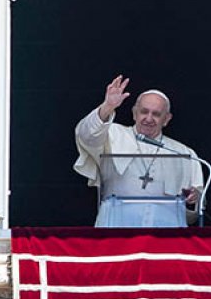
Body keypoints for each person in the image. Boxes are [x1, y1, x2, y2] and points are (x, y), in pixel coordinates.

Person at [74, 75, 204, 227]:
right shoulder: (112, 134)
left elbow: (194, 210)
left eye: (156, 114)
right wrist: (107, 107)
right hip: (116, 226)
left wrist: (193, 199)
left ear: (167, 119)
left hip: (164, 231)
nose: (148, 118)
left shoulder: (184, 153)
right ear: (135, 113)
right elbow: (87, 135)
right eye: (144, 112)